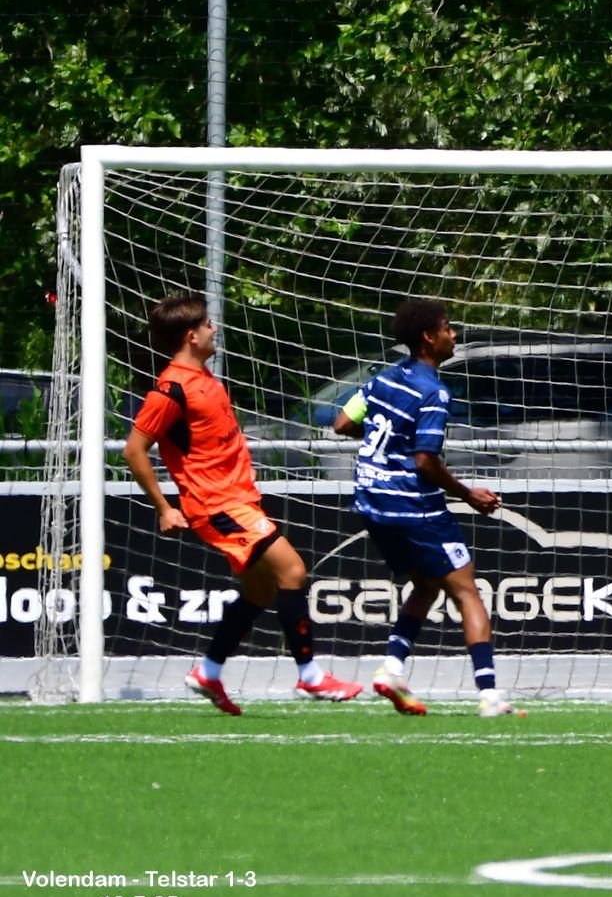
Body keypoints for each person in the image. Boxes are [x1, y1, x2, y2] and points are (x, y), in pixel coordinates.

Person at [124, 294, 363, 715]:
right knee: (293, 571)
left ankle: (209, 671)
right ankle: (310, 677)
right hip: (216, 505)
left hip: (236, 500)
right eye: (207, 324)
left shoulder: (204, 379)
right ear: (191, 336)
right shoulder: (171, 388)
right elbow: (134, 450)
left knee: (261, 588)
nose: (214, 329)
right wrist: (164, 507)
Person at [332, 298, 523, 718]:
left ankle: (392, 669)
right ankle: (490, 696)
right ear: (428, 337)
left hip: (370, 501)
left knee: (426, 584)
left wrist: (386, 442)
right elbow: (425, 461)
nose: (454, 334)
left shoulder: (382, 379)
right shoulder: (434, 392)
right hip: (412, 506)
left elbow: (342, 423)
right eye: (448, 327)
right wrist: (468, 493)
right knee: (467, 591)